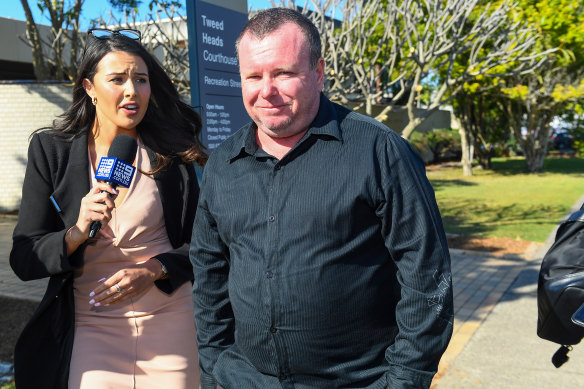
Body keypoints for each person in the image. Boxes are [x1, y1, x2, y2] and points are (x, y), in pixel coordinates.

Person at [190, 7, 454, 389]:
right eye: (253, 76)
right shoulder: (222, 165)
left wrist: (405, 380)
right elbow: (209, 275)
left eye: (283, 73)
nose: (267, 90)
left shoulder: (380, 151)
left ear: (317, 72)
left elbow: (426, 275)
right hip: (244, 379)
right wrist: (214, 370)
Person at [10, 28, 206, 389]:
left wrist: (155, 269)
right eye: (117, 79)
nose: (132, 91)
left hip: (169, 317)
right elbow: (24, 258)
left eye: (141, 79)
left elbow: (204, 244)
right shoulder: (51, 150)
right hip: (91, 323)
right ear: (89, 87)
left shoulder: (173, 152)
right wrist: (77, 231)